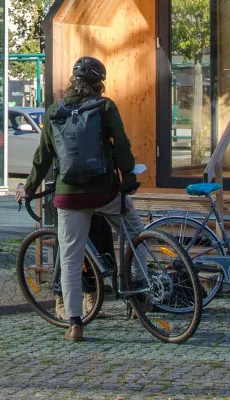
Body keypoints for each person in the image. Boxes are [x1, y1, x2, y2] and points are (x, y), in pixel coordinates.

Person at [14, 56, 140, 342]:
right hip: (104, 192)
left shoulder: (54, 111)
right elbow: (121, 146)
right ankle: (142, 290)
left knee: (70, 257)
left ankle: (74, 323)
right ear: (99, 83)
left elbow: (42, 158)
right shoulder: (105, 106)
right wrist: (129, 177)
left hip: (68, 197)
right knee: (134, 230)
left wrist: (30, 188)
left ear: (72, 81)